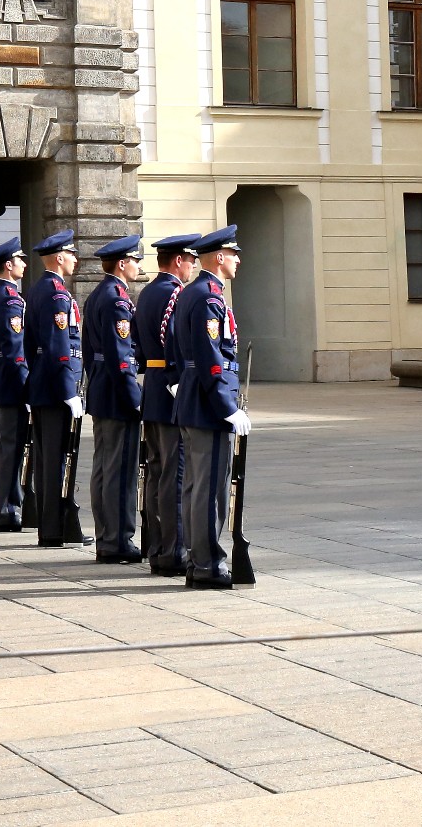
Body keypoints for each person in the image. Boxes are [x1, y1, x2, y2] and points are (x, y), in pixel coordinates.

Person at [169, 225, 246, 589]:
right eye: (233, 254)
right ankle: (207, 563)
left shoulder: (192, 293)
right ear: (219, 257)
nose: (237, 260)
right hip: (207, 406)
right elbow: (210, 357)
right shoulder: (208, 298)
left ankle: (197, 558)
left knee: (196, 487)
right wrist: (226, 404)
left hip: (194, 401)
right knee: (209, 488)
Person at [134, 232, 201, 577]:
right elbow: (175, 343)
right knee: (174, 475)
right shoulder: (175, 293)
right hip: (171, 389)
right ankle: (173, 551)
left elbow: (139, 347)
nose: (192, 267)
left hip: (152, 390)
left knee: (157, 470)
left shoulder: (145, 293)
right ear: (178, 261)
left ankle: (158, 548)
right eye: (191, 260)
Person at [86, 235, 144, 564]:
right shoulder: (116, 300)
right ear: (122, 264)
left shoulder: (100, 295)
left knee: (104, 468)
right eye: (136, 260)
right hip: (115, 393)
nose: (139, 267)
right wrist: (134, 398)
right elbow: (121, 358)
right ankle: (116, 539)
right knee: (118, 471)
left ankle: (107, 535)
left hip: (102, 390)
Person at [25, 232, 85, 548]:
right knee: (55, 461)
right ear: (59, 258)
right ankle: (53, 529)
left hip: (42, 386)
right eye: (72, 254)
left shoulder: (38, 290)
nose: (76, 259)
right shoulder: (56, 295)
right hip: (54, 388)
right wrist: (68, 391)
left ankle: (53, 526)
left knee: (49, 460)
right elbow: (58, 346)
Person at [0, 238, 32, 531]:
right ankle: (6, 508)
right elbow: (16, 350)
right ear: (8, 265)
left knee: (4, 445)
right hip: (12, 380)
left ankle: (3, 505)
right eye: (19, 260)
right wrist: (26, 386)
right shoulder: (11, 299)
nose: (24, 265)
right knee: (11, 446)